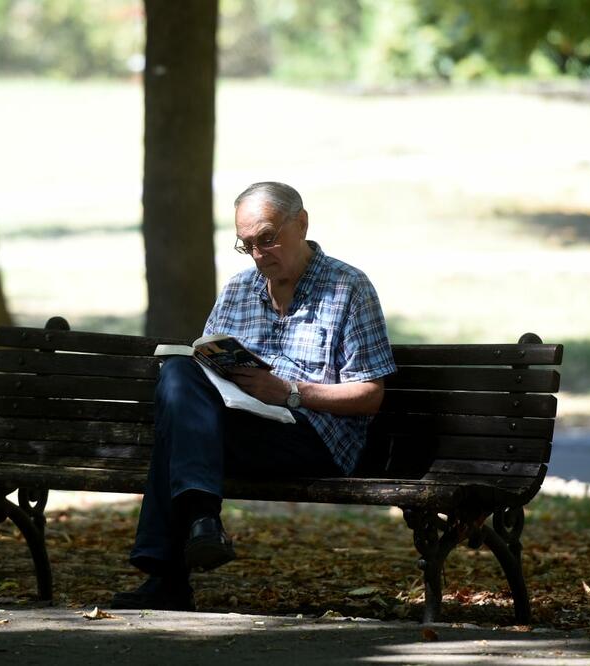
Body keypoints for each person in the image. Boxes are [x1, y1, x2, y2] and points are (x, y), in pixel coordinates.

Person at [111, 181, 397, 611]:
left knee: (177, 438)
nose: (260, 254)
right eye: (247, 245)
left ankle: (169, 573)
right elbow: (204, 369)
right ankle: (202, 522)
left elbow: (371, 395)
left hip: (316, 439)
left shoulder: (348, 288)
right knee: (179, 371)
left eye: (267, 238)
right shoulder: (239, 289)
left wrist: (291, 393)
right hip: (240, 428)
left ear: (300, 223)